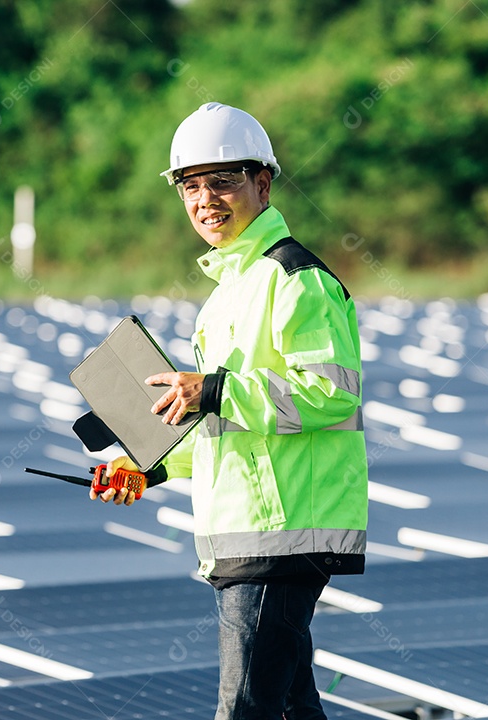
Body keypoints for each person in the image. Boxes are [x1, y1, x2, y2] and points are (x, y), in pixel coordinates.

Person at [91, 102, 368, 720]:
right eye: (191, 186)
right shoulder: (229, 293)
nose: (205, 199)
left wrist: (214, 389)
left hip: (284, 529)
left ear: (262, 184)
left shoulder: (295, 278)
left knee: (245, 710)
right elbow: (225, 422)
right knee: (291, 707)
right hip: (250, 529)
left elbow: (332, 392)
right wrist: (150, 467)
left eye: (223, 181)